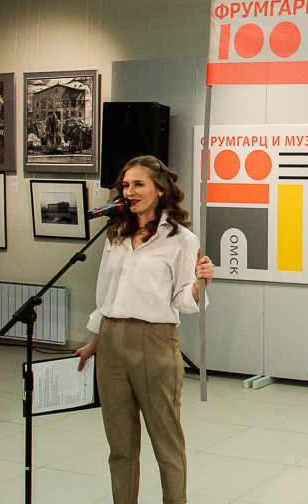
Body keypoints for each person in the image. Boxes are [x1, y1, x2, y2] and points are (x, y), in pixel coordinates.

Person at [75, 155, 214, 504]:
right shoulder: (116, 235)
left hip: (154, 343)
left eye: (139, 184)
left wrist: (201, 286)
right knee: (120, 446)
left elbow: (183, 299)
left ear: (160, 190)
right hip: (111, 342)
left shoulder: (181, 239)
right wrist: (95, 340)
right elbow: (105, 294)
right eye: (125, 185)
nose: (130, 191)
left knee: (166, 443)